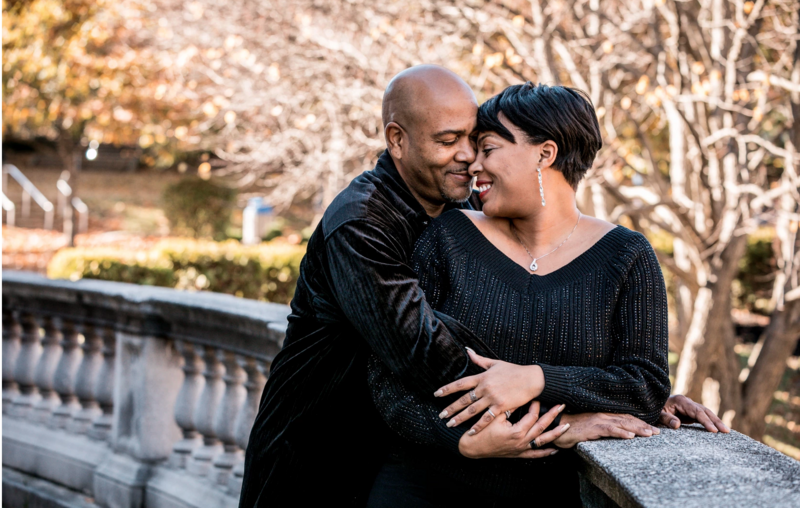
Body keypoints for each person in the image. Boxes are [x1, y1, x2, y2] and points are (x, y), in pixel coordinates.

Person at [239, 66, 728, 508]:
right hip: (318, 453)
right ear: (397, 139)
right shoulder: (361, 224)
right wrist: (565, 417)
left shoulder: (459, 210)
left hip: (394, 457)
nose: (469, 158)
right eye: (450, 139)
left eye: (477, 141)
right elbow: (426, 355)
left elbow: (533, 340)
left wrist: (633, 390)